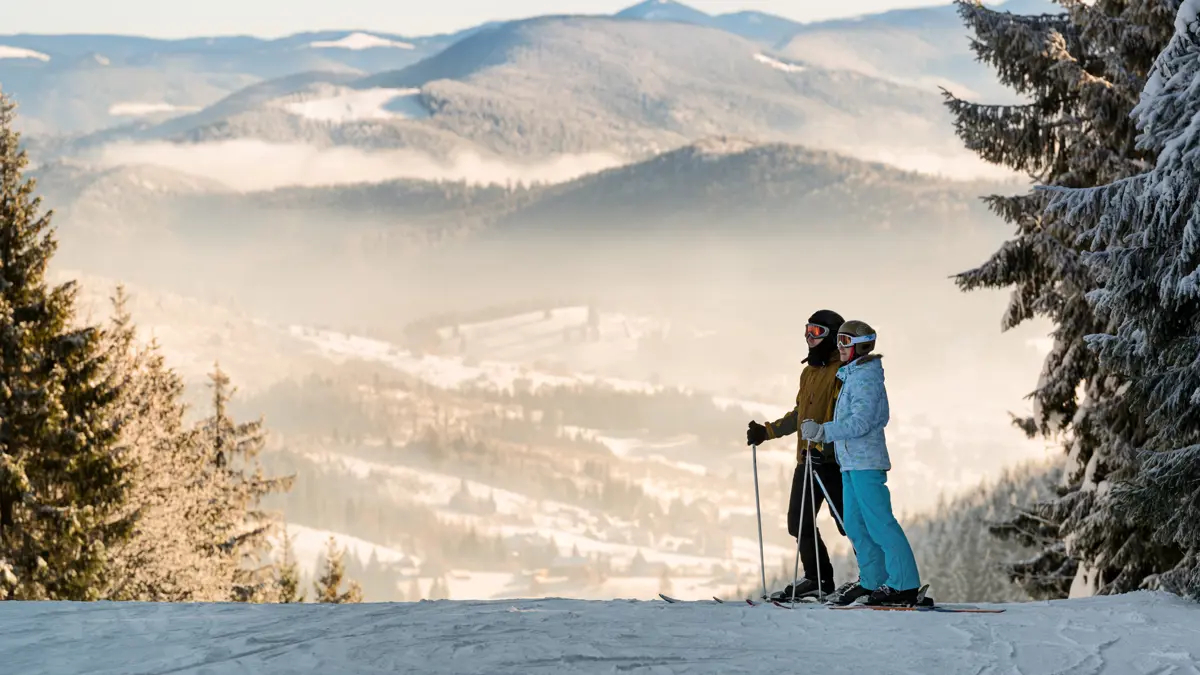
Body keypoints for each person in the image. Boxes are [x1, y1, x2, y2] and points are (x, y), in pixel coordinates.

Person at [799, 319, 923, 607]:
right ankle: (873, 579)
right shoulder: (851, 375)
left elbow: (861, 422)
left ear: (861, 346)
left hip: (866, 462)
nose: (840, 347)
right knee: (855, 524)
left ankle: (904, 585)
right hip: (849, 462)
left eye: (845, 342)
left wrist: (823, 431)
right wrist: (822, 440)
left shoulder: (866, 378)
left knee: (879, 523)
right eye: (838, 341)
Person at [746, 309, 847, 600]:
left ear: (832, 336)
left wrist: (826, 448)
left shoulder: (842, 372)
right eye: (806, 330)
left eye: (816, 332)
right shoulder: (809, 372)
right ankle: (818, 579)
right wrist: (767, 431)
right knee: (798, 522)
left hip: (833, 463)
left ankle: (874, 578)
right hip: (807, 460)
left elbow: (844, 418)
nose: (808, 337)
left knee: (848, 524)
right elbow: (799, 415)